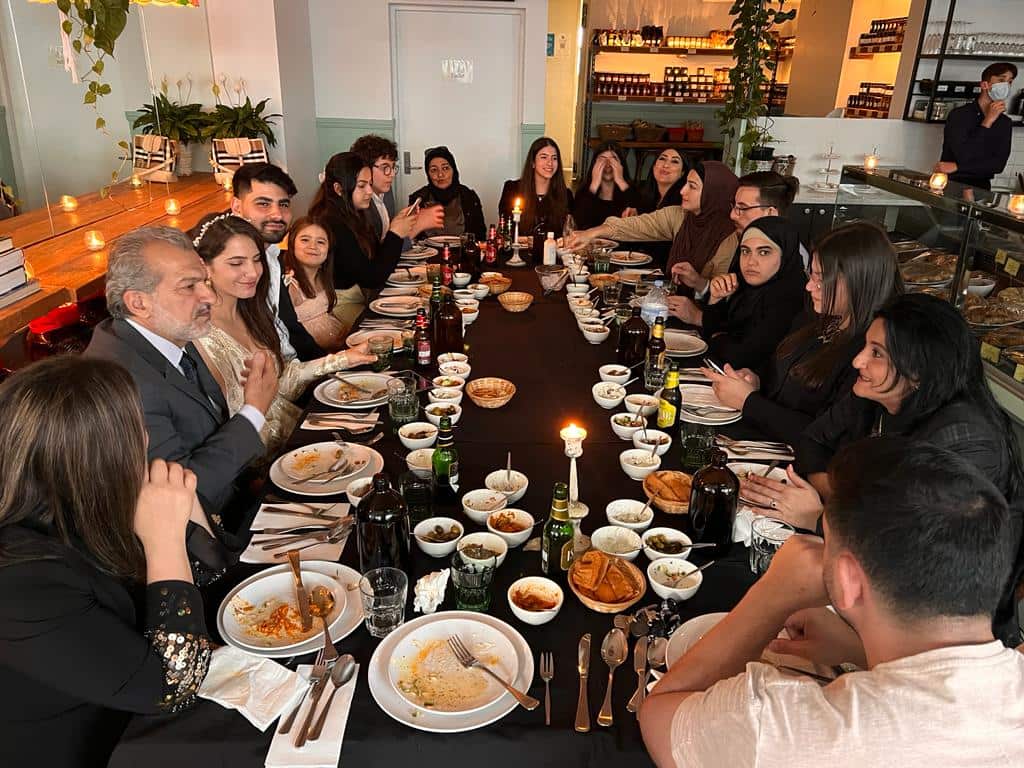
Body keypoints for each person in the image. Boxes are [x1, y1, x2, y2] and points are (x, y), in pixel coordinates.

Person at [640, 436, 1024, 768]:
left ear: (847, 580)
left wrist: (772, 596)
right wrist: (858, 649)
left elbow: (659, 714)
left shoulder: (779, 727)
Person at [0, 357, 212, 767]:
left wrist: (189, 515)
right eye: (135, 427)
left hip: (134, 724)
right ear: (98, 455)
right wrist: (166, 537)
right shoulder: (19, 585)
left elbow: (210, 582)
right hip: (96, 748)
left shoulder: (81, 507)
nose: (146, 439)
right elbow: (173, 682)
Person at [85, 226, 273, 540]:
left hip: (233, 503)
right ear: (138, 303)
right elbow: (180, 492)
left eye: (205, 282)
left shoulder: (169, 334)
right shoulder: (121, 383)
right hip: (196, 542)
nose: (210, 297)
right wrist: (254, 410)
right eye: (189, 286)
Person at [703, 222, 904, 448]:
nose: (809, 287)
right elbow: (778, 368)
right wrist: (756, 379)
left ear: (856, 282)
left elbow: (828, 435)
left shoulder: (868, 354)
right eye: (811, 275)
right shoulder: (816, 318)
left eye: (820, 279)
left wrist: (749, 402)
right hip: (760, 438)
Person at [189, 214, 375, 454]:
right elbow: (232, 421)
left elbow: (279, 386)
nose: (253, 272)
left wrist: (344, 358)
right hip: (261, 460)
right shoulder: (200, 336)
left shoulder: (254, 312)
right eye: (236, 263)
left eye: (256, 260)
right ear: (205, 266)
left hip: (296, 434)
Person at [570, 160, 739, 297]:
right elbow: (637, 225)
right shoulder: (679, 216)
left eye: (692, 186)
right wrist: (593, 233)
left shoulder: (730, 236)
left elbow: (724, 298)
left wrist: (698, 283)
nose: (682, 191)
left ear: (713, 193)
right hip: (667, 302)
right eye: (685, 184)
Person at [669, 216, 807, 370]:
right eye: (745, 251)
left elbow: (740, 357)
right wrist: (715, 299)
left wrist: (717, 336)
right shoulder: (746, 286)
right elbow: (715, 332)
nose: (751, 262)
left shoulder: (789, 297)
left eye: (764, 252)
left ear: (785, 255)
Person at [309, 152, 425, 325]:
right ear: (339, 189)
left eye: (370, 184)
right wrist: (395, 234)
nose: (370, 191)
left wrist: (397, 227)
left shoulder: (352, 213)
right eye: (362, 186)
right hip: (340, 304)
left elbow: (375, 258)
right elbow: (373, 277)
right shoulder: (331, 222)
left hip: (359, 296)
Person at [229, 162, 304, 360]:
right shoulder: (224, 266)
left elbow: (290, 326)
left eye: (284, 204)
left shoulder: (272, 252)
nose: (277, 214)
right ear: (237, 206)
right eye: (263, 204)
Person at [936, 62, 1017, 190]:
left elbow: (998, 165)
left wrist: (958, 166)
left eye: (1010, 82)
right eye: (1001, 80)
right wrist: (987, 122)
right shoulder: (960, 115)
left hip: (983, 188)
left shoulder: (1004, 122)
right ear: (984, 84)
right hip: (951, 184)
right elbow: (964, 155)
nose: (1006, 85)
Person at [350, 134, 443, 243]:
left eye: (393, 167)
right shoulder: (358, 200)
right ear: (364, 168)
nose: (392, 174)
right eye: (385, 168)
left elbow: (388, 241)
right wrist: (416, 227)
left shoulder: (387, 192)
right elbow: (379, 254)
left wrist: (401, 222)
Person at [281, 216, 348, 353]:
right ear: (292, 243)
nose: (313, 246)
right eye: (305, 240)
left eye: (321, 242)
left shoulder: (323, 278)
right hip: (315, 356)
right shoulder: (290, 285)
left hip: (339, 344)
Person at [406, 145, 486, 241]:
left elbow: (480, 235)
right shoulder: (419, 199)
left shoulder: (469, 197)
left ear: (453, 170)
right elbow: (410, 238)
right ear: (428, 174)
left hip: (462, 253)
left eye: (445, 168)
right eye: (434, 170)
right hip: (428, 253)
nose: (440, 175)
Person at [499, 136, 574, 236]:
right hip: (521, 250)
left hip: (554, 251)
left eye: (554, 158)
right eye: (544, 157)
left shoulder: (566, 195)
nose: (550, 163)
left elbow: (571, 231)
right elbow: (506, 230)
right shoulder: (512, 189)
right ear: (533, 162)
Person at [571, 141, 637, 229]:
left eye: (614, 159)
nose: (608, 164)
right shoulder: (584, 192)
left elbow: (638, 220)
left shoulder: (631, 191)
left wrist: (621, 181)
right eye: (602, 159)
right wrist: (594, 184)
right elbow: (577, 223)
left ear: (621, 165)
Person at [636, 147, 685, 213]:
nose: (666, 165)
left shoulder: (684, 203)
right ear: (654, 167)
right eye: (662, 159)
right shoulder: (642, 195)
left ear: (682, 173)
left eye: (674, 161)